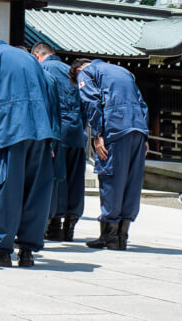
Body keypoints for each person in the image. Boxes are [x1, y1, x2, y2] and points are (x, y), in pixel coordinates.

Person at [0, 36, 57, 267]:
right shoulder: (30, 58)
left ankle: (0, 251)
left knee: (8, 188)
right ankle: (27, 251)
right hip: (41, 128)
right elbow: (48, 89)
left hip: (11, 127)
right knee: (35, 191)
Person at [71, 57, 149, 251]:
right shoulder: (123, 71)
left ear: (78, 70)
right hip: (138, 128)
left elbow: (91, 101)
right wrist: (145, 135)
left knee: (112, 178)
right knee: (132, 181)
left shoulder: (86, 73)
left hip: (115, 127)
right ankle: (122, 235)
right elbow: (142, 103)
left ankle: (110, 236)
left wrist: (97, 134)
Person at [33, 42, 88, 241]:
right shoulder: (72, 71)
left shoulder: (41, 69)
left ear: (37, 55)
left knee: (56, 176)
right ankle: (71, 223)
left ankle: (54, 223)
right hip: (77, 131)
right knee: (75, 177)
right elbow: (86, 102)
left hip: (57, 129)